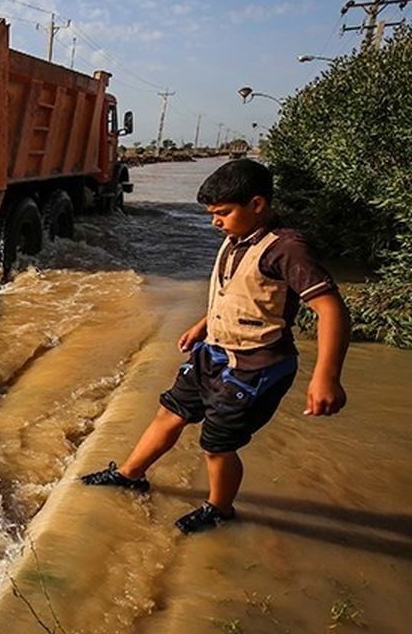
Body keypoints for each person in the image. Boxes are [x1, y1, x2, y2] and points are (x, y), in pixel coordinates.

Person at [80, 159, 350, 534]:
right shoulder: (236, 237)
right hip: (213, 352)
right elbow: (238, 294)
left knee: (217, 445)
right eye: (212, 214)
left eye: (223, 213)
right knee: (169, 412)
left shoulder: (286, 249)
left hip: (256, 367)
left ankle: (220, 509)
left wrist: (326, 377)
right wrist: (202, 325)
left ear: (257, 205)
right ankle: (130, 474)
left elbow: (331, 309)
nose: (215, 222)